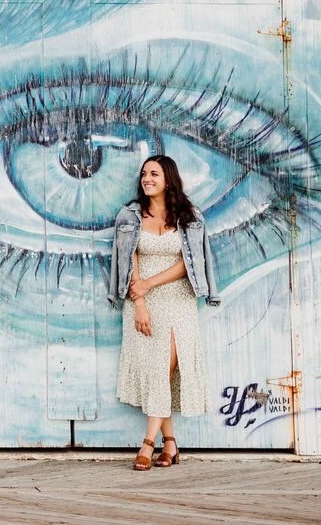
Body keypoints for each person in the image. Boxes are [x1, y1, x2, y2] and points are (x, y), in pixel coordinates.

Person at [111, 154, 219, 470]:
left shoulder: (190, 217)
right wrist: (140, 300)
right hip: (142, 302)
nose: (147, 179)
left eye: (154, 174)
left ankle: (148, 443)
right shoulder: (130, 216)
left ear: (168, 179)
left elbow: (192, 262)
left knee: (164, 368)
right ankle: (169, 443)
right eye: (145, 174)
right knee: (159, 370)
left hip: (178, 300)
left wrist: (150, 283)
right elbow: (126, 259)